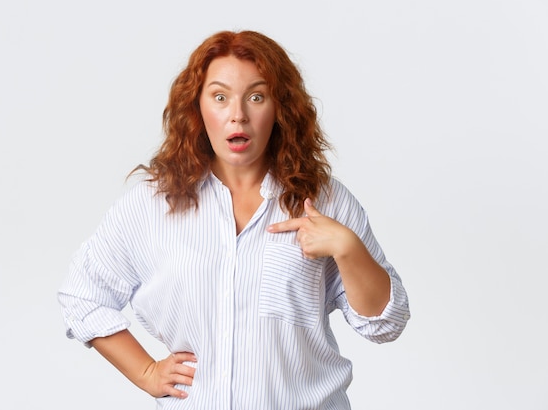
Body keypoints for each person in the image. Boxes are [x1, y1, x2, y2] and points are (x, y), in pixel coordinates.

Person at [58, 30, 410, 409]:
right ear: (198, 107)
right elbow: (82, 296)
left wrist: (348, 248)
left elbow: (385, 324)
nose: (237, 115)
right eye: (220, 97)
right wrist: (146, 372)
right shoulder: (150, 205)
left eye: (256, 97)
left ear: (280, 108)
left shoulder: (325, 201)